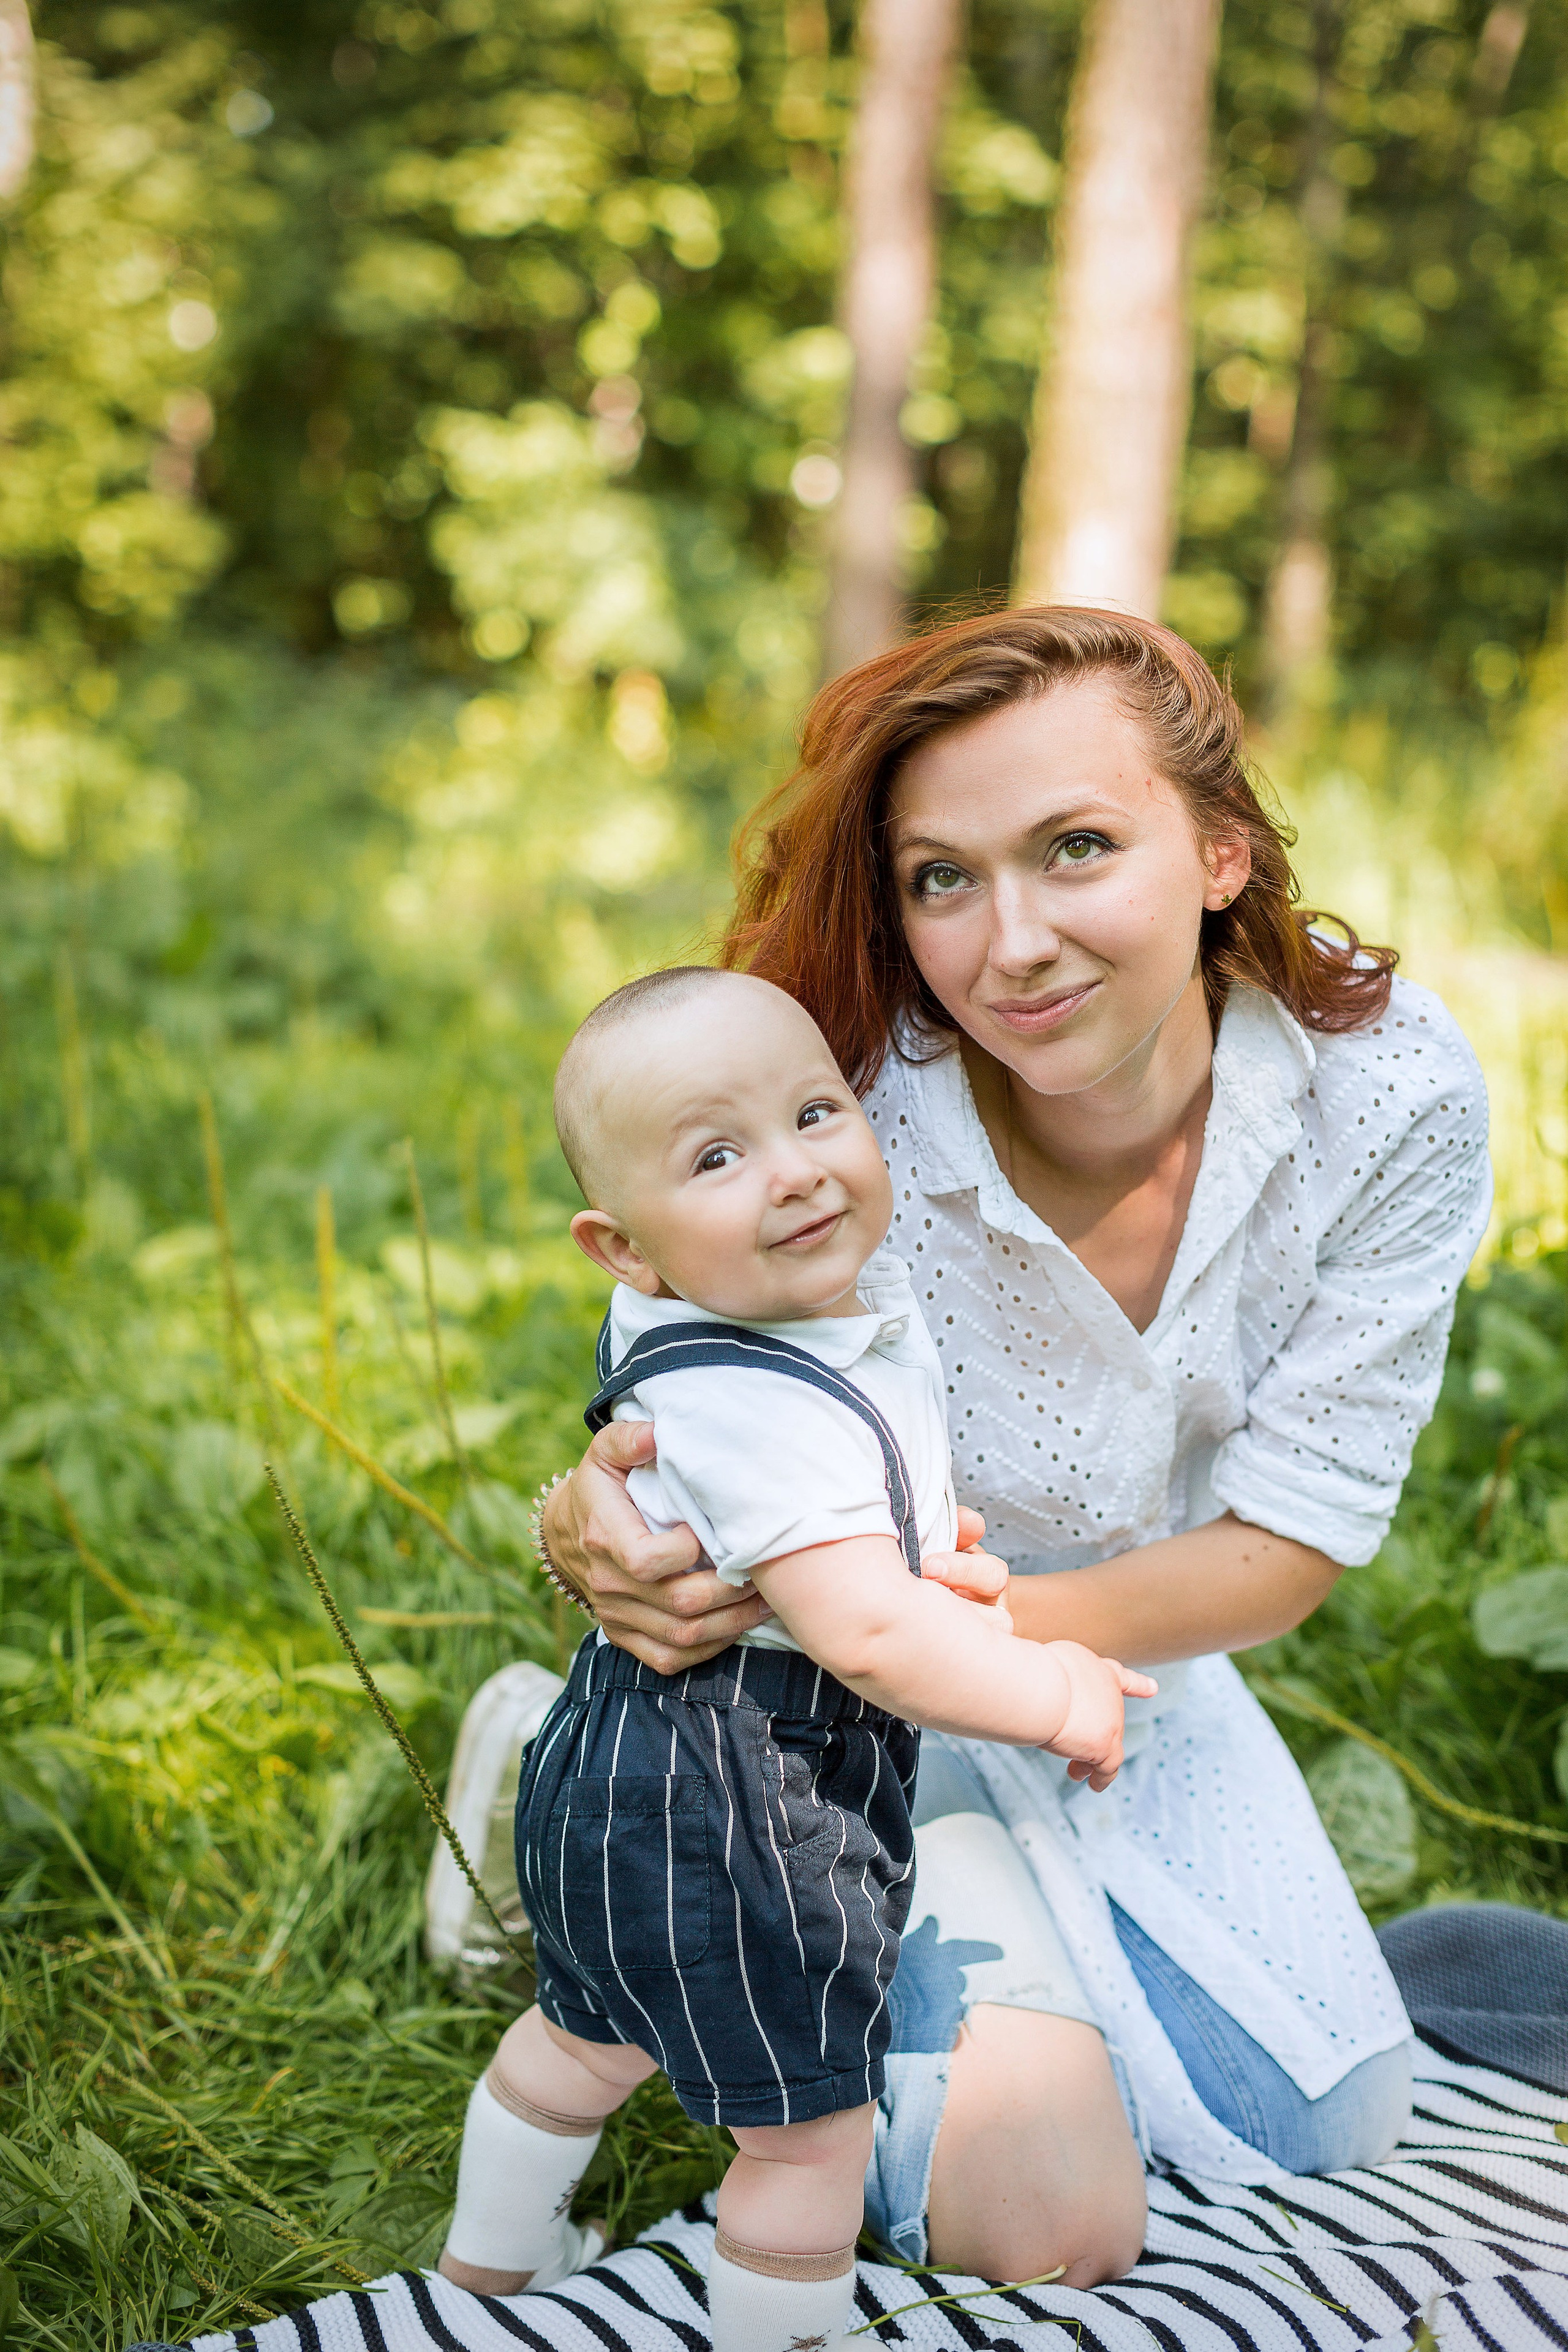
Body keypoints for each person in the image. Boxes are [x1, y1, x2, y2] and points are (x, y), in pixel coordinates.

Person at [534, 606, 1494, 2288]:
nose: (1014, 945)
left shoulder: (1386, 1094)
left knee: (1317, 2117)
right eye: (943, 879)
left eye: (1076, 849)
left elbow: (1289, 1545)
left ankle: (980, 1915)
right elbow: (660, 1363)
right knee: (1048, 2226)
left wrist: (992, 1654)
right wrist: (586, 1523)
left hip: (1116, 1652)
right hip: (811, 1702)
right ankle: (601, 1809)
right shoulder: (834, 1109)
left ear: (1219, 850)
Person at [437, 965, 1152, 2352]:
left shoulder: (699, 1324)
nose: (795, 1171)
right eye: (718, 1157)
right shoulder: (771, 1406)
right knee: (806, 2137)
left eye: (816, 1114)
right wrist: (1053, 1690)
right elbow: (867, 1634)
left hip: (614, 1764)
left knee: (583, 2039)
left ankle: (486, 2274)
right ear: (622, 1247)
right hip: (750, 1801)